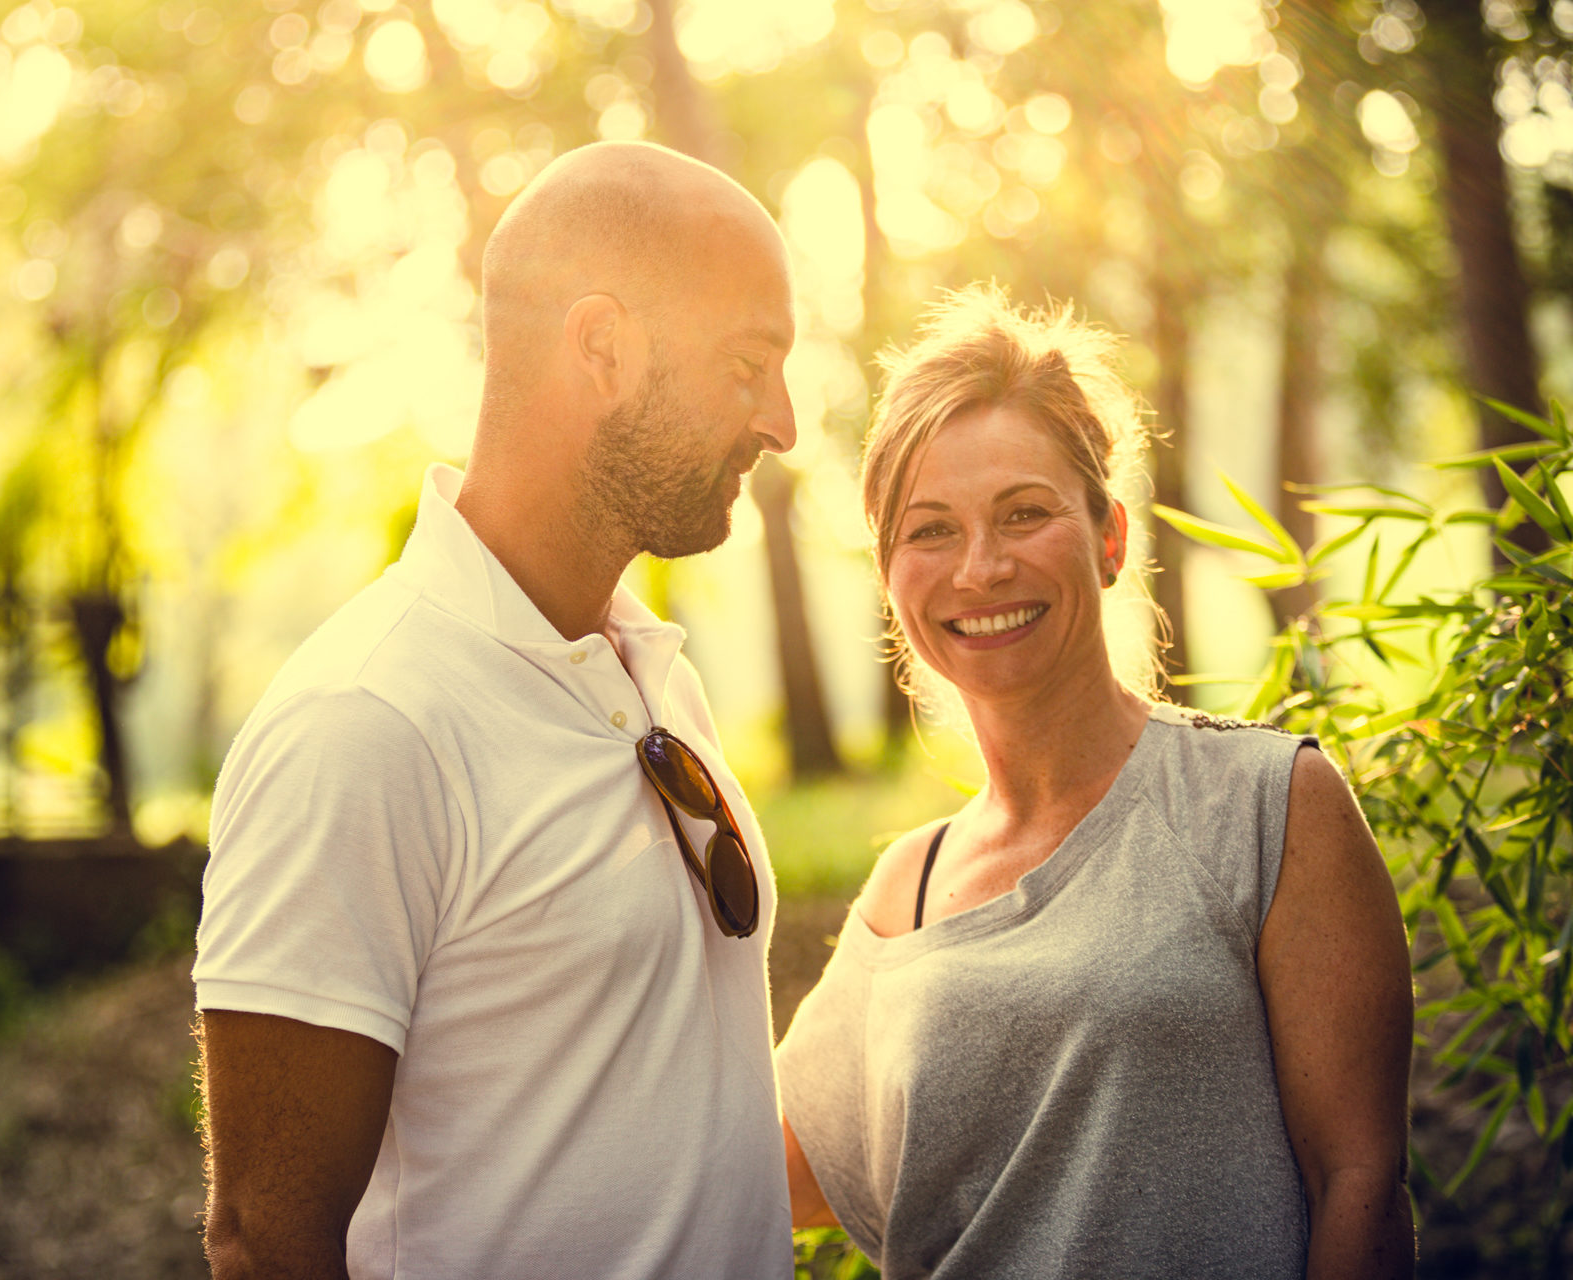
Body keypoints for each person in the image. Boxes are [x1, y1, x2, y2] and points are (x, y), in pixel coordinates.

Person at [192, 141, 800, 1280]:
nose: (783, 421)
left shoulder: (658, 672)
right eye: (747, 364)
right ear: (604, 347)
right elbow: (265, 1238)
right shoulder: (363, 723)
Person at [777, 286, 1415, 1279]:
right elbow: (773, 1169)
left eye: (1023, 513)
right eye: (930, 529)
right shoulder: (907, 884)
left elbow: (1360, 1180)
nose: (981, 567)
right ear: (891, 573)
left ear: (1110, 536)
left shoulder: (1265, 801)